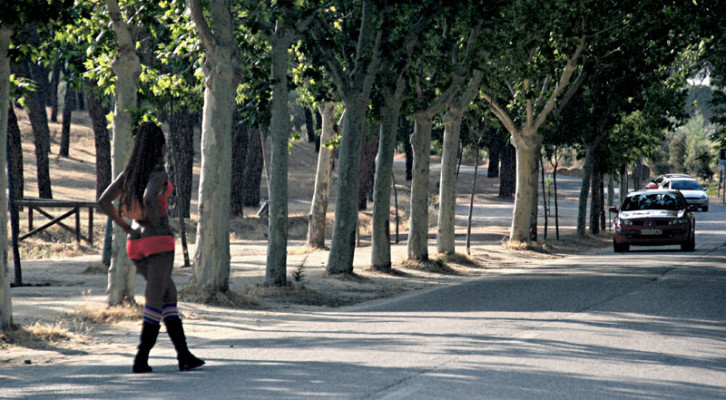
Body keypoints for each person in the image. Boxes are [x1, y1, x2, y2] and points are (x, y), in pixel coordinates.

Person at [98, 121, 204, 373]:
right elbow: (148, 198)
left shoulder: (128, 174)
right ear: (159, 146)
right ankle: (141, 358)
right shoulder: (158, 175)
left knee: (168, 295)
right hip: (157, 241)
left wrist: (126, 227)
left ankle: (184, 355)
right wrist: (157, 224)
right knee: (157, 299)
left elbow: (103, 200)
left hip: (135, 242)